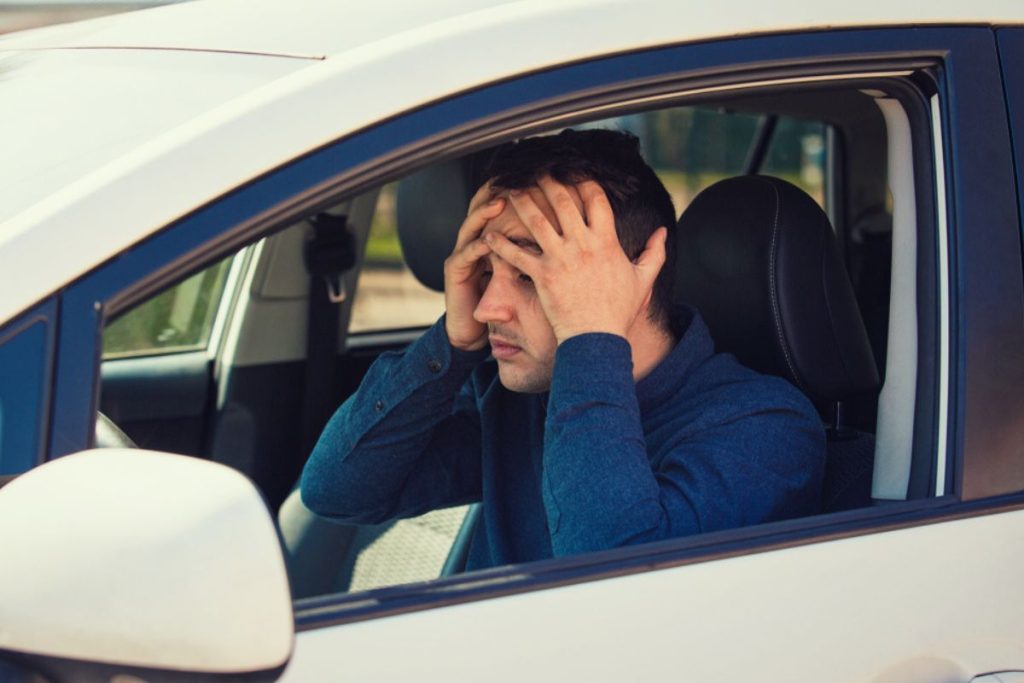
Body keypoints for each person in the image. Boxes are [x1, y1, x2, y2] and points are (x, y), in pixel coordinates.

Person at [301, 129, 824, 570]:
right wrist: (452, 345)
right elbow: (335, 492)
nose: (488, 309)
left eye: (532, 275)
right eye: (485, 272)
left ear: (637, 276)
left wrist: (589, 336)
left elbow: (606, 586)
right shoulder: (517, 394)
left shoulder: (765, 429)